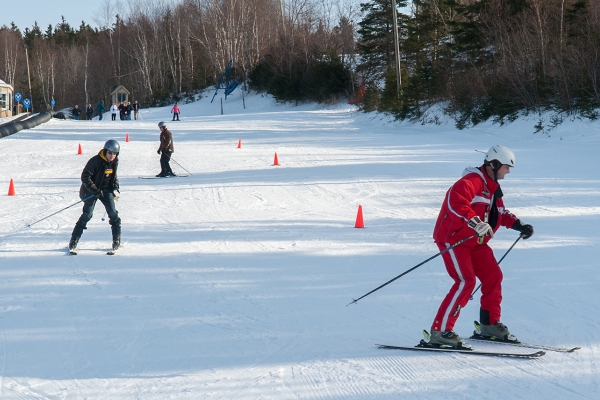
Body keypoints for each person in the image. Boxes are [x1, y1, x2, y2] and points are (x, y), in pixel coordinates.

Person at [428, 145, 534, 348]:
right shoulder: (471, 181)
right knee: (465, 281)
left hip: (476, 242)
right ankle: (440, 331)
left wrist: (519, 225)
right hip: (454, 240)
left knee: (493, 276)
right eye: (506, 167)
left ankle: (489, 325)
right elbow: (455, 203)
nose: (508, 172)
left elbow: (500, 213)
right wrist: (475, 222)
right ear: (493, 165)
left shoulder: (493, 188)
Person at [69, 140, 122, 253]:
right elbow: (85, 177)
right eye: (110, 153)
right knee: (87, 215)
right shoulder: (95, 161)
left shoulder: (114, 161)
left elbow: (113, 175)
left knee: (113, 214)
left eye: (114, 153)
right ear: (105, 151)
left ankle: (116, 240)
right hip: (91, 192)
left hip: (106, 191)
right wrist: (95, 190)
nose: (112, 156)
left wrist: (115, 184)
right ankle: (74, 240)